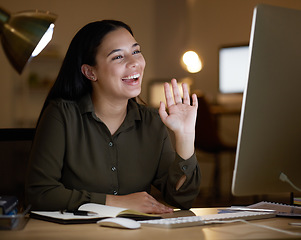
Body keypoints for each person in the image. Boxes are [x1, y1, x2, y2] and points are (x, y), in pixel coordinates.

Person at [25, 20, 201, 214]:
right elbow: (40, 193)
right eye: (118, 57)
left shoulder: (153, 122)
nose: (134, 62)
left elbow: (181, 199)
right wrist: (116, 202)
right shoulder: (61, 115)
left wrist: (185, 137)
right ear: (90, 72)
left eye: (136, 51)